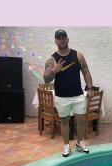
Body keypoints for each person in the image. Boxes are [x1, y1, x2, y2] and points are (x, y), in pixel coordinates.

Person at [43, 29, 94, 157]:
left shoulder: (78, 55)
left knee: (81, 120)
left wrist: (90, 88)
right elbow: (46, 79)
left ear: (68, 39)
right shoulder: (52, 59)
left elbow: (86, 71)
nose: (62, 40)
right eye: (59, 38)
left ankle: (80, 142)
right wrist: (54, 70)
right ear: (55, 41)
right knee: (64, 122)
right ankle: (66, 146)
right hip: (61, 97)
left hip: (78, 95)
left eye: (64, 37)